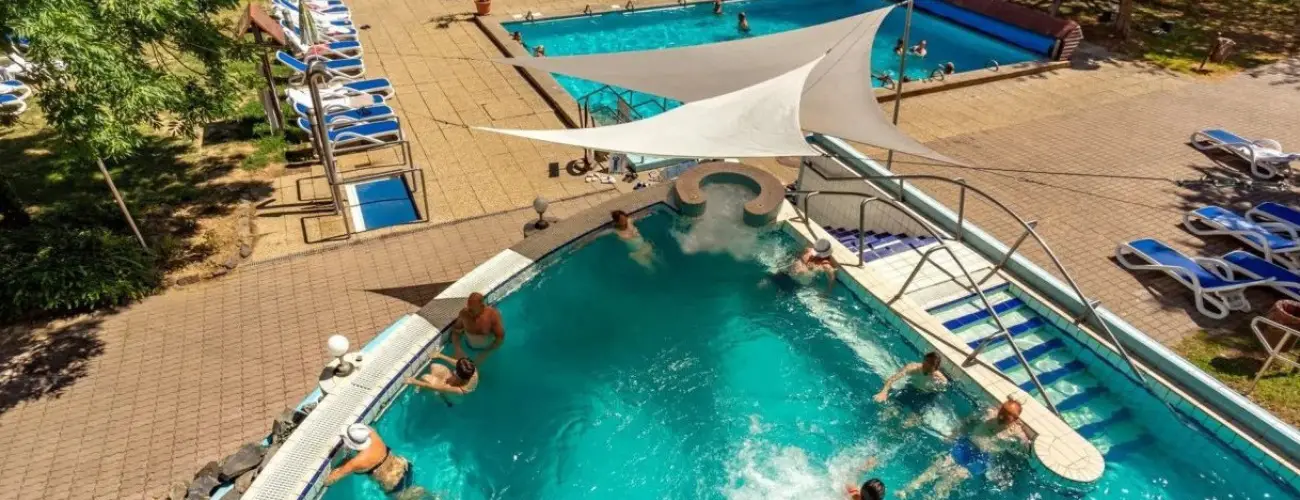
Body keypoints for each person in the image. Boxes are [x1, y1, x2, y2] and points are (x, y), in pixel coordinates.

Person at [898, 398, 1031, 499]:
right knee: (937, 467)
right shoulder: (989, 414)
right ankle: (907, 490)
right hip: (966, 445)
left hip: (980, 459)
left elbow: (1026, 450)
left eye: (1007, 415)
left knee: (949, 481)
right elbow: (967, 421)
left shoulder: (1016, 434)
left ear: (1015, 418)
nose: (1002, 415)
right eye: (1003, 410)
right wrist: (955, 434)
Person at [326, 424, 412, 493]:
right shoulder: (372, 434)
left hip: (392, 482)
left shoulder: (357, 462)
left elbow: (330, 480)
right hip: (402, 465)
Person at [874, 352, 949, 407]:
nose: (926, 368)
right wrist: (884, 392)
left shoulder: (940, 379)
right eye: (925, 364)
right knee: (892, 408)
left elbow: (939, 391)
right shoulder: (913, 368)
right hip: (910, 388)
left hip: (926, 395)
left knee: (912, 420)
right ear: (923, 360)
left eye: (930, 367)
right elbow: (893, 378)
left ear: (936, 368)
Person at [451, 292, 505, 364]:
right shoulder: (464, 313)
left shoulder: (492, 315)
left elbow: (499, 339)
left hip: (487, 351)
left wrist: (483, 355)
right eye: (468, 308)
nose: (469, 312)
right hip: (468, 348)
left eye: (472, 310)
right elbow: (456, 331)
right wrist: (458, 349)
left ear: (482, 306)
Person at [407, 351, 478, 396]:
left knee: (425, 377)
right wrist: (440, 355)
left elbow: (432, 387)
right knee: (434, 366)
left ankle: (440, 396)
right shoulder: (471, 370)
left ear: (457, 373)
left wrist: (414, 381)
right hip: (453, 382)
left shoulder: (457, 390)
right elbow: (457, 363)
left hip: (450, 396)